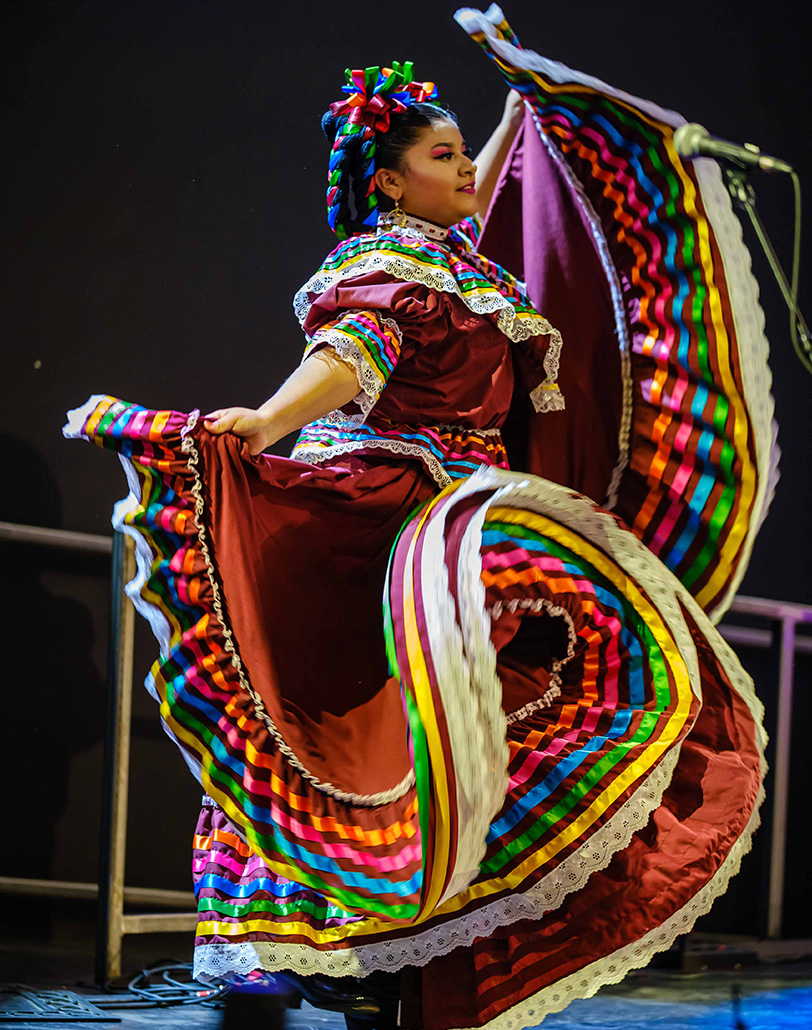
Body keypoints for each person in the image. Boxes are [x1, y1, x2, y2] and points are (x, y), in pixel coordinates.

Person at [65, 52, 765, 1030]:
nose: (467, 168)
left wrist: (556, 124)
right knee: (366, 729)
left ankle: (408, 946)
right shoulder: (386, 265)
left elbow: (502, 181)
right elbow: (350, 356)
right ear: (389, 180)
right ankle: (343, 938)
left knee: (462, 718)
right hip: (386, 509)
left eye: (465, 153)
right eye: (444, 156)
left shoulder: (460, 262)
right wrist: (268, 421)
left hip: (454, 511)